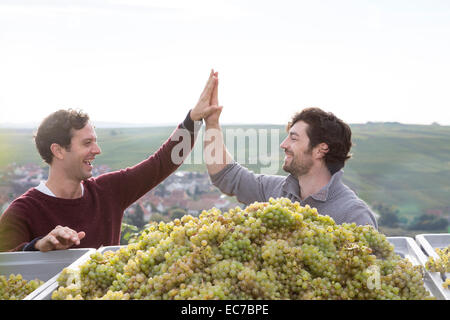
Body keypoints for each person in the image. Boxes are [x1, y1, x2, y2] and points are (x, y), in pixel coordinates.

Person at [0, 70, 221, 252]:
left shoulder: (108, 191)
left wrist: (193, 119)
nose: (97, 150)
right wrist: (38, 245)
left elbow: (162, 163)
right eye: (87, 143)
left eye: (95, 142)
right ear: (58, 150)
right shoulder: (22, 212)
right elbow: (6, 269)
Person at [203, 91, 377, 228]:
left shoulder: (353, 215)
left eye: (293, 138)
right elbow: (226, 175)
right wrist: (211, 123)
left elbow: (371, 271)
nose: (283, 145)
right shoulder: (274, 191)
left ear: (320, 150)